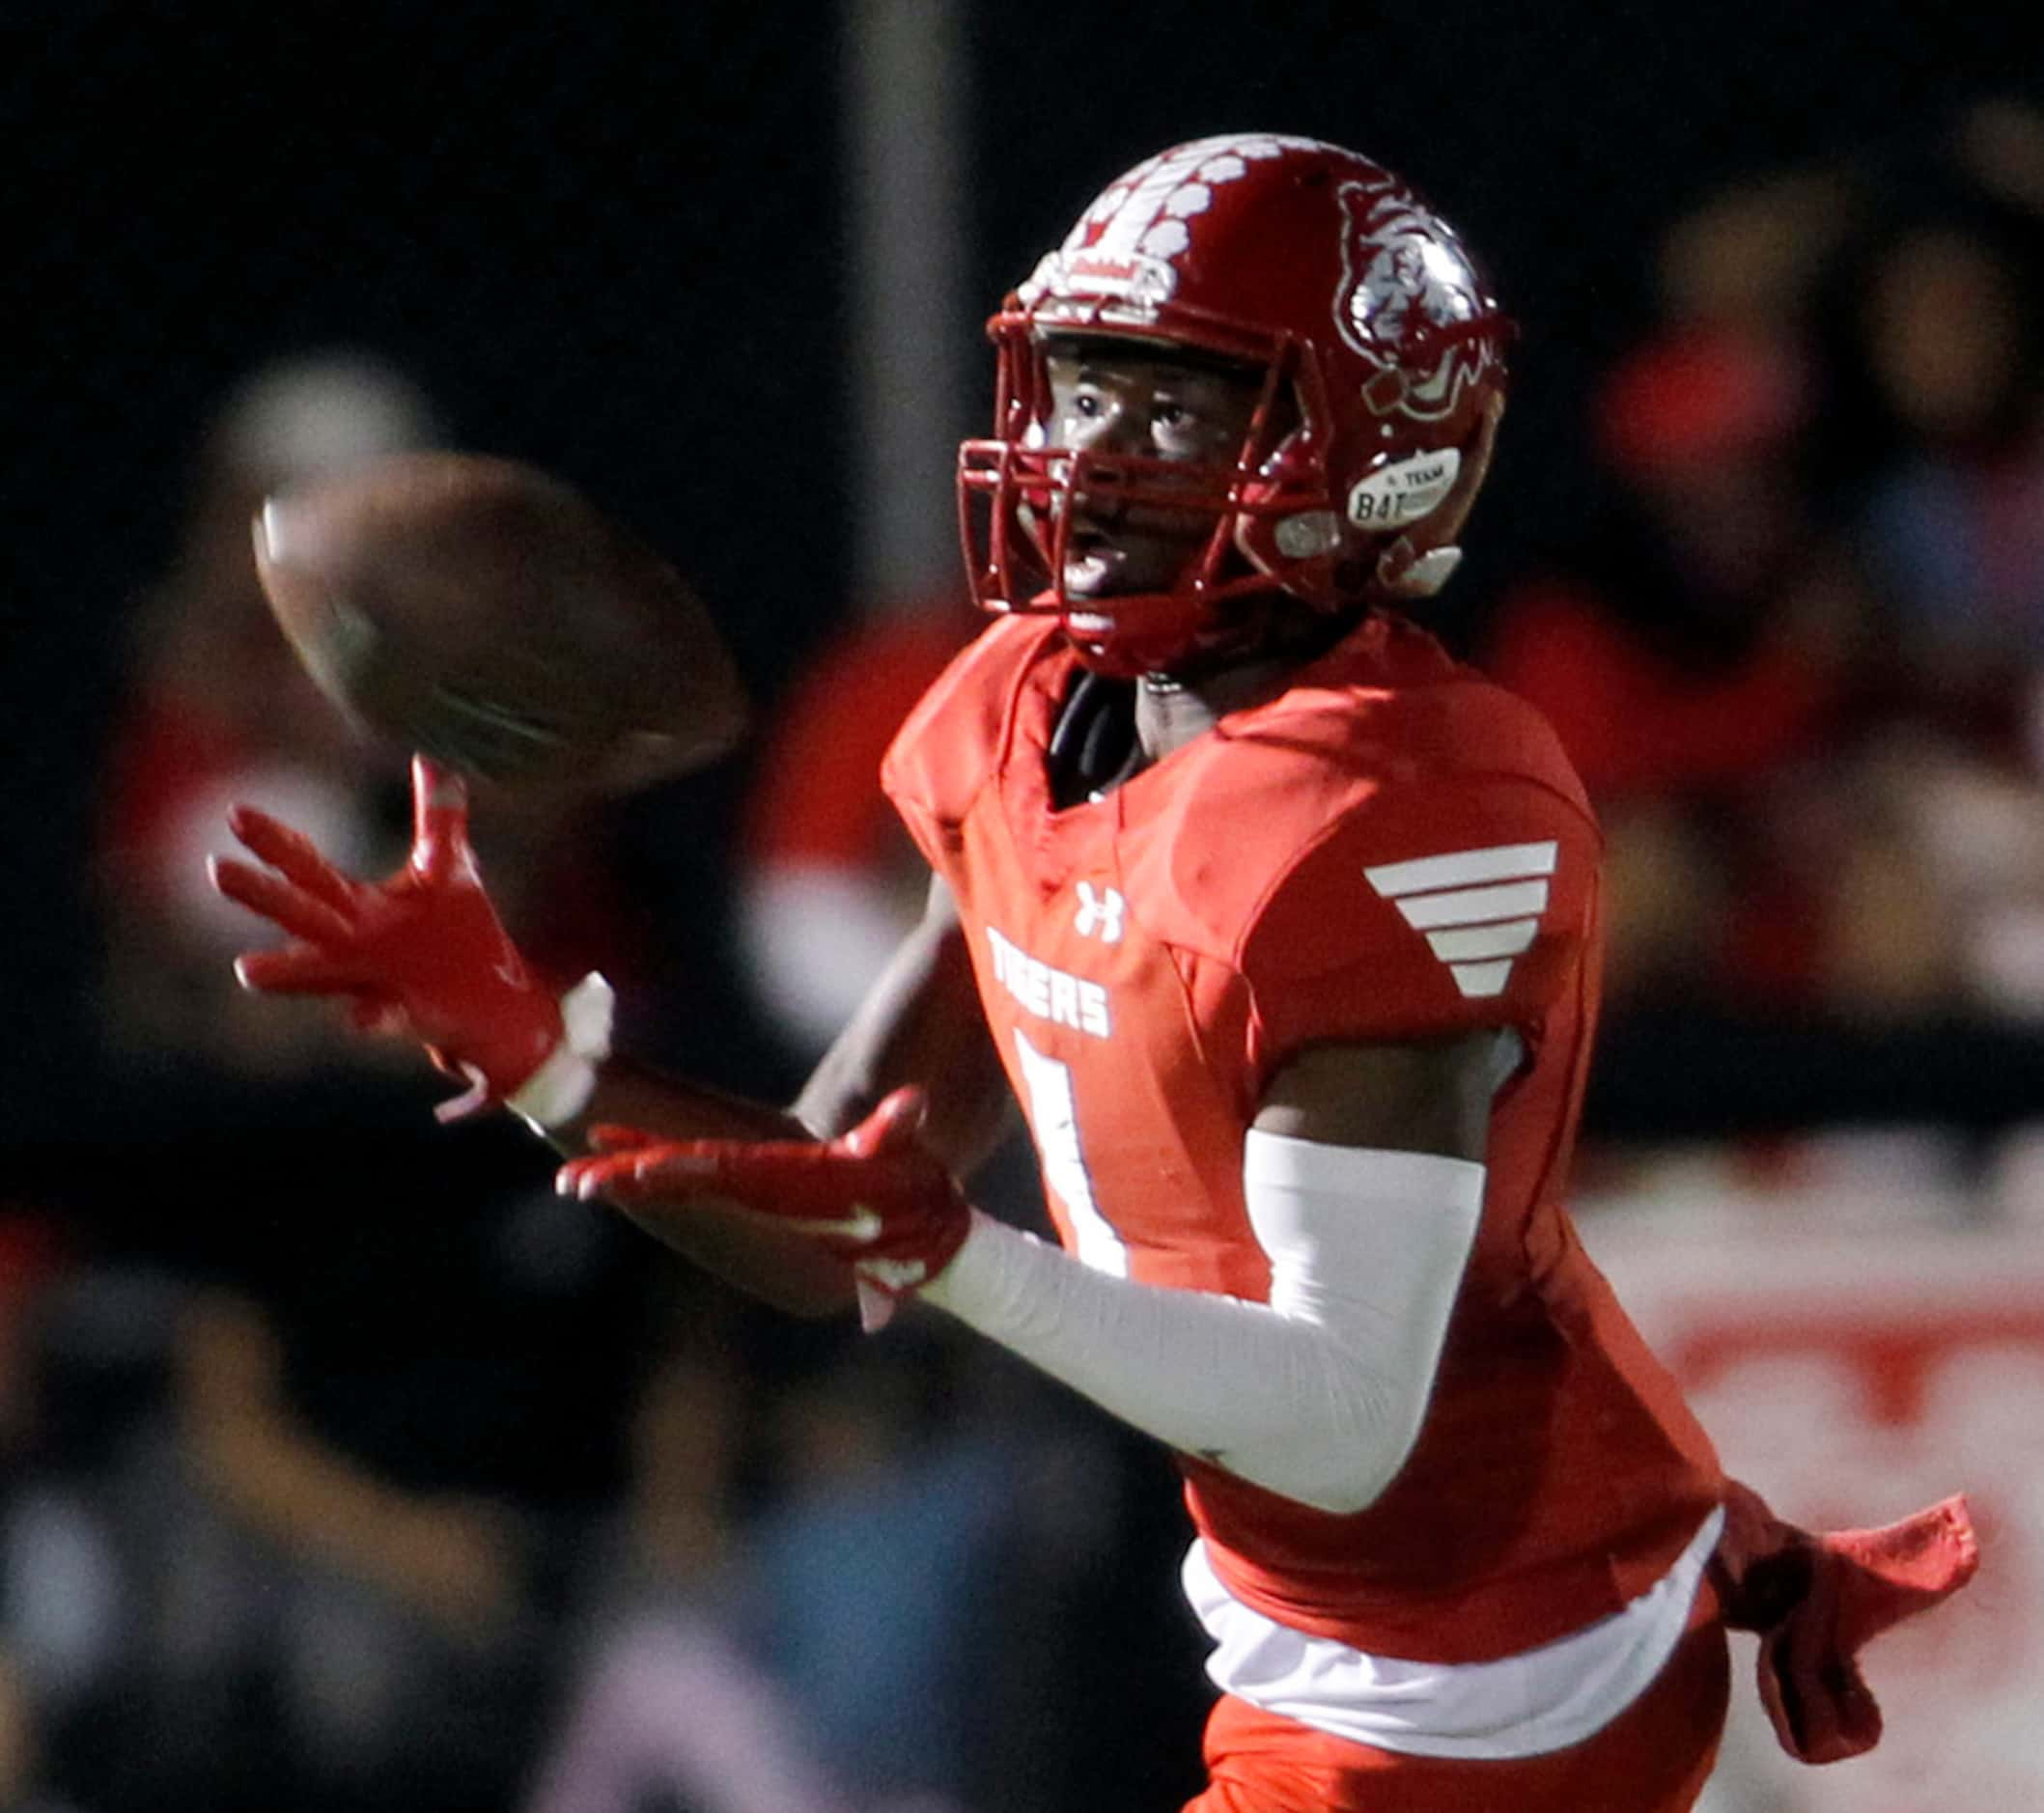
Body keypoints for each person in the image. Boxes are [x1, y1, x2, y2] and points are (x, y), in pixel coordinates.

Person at [210, 135, 1976, 1811]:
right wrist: (533, 1048)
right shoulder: (1025, 706)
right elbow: (832, 1223)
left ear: (1378, 444)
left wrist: (965, 1256)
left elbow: (1349, 1417)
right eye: (1082, 380)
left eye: (1179, 394)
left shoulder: (1398, 804)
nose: (1091, 443)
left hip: (1502, 1656)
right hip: (1333, 1625)